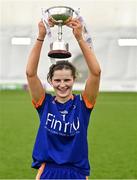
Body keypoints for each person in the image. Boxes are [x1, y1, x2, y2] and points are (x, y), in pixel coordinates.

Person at [26, 18, 101, 179]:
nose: (62, 85)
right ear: (51, 81)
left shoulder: (83, 104)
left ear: (74, 79)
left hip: (77, 172)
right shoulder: (44, 103)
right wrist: (41, 36)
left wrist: (80, 38)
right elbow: (30, 74)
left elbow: (96, 73)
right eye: (57, 80)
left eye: (67, 80)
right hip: (48, 171)